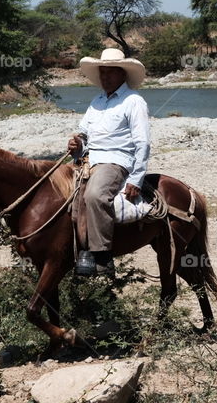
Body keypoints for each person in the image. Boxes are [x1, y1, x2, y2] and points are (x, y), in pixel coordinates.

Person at [67, 48, 150, 276]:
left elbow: (143, 142)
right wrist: (77, 143)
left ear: (122, 73)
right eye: (102, 73)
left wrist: (136, 179)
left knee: (94, 195)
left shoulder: (133, 101)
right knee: (61, 194)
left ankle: (102, 255)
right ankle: (75, 249)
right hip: (88, 159)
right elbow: (84, 133)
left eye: (110, 73)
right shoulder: (96, 101)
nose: (105, 77)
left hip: (115, 161)